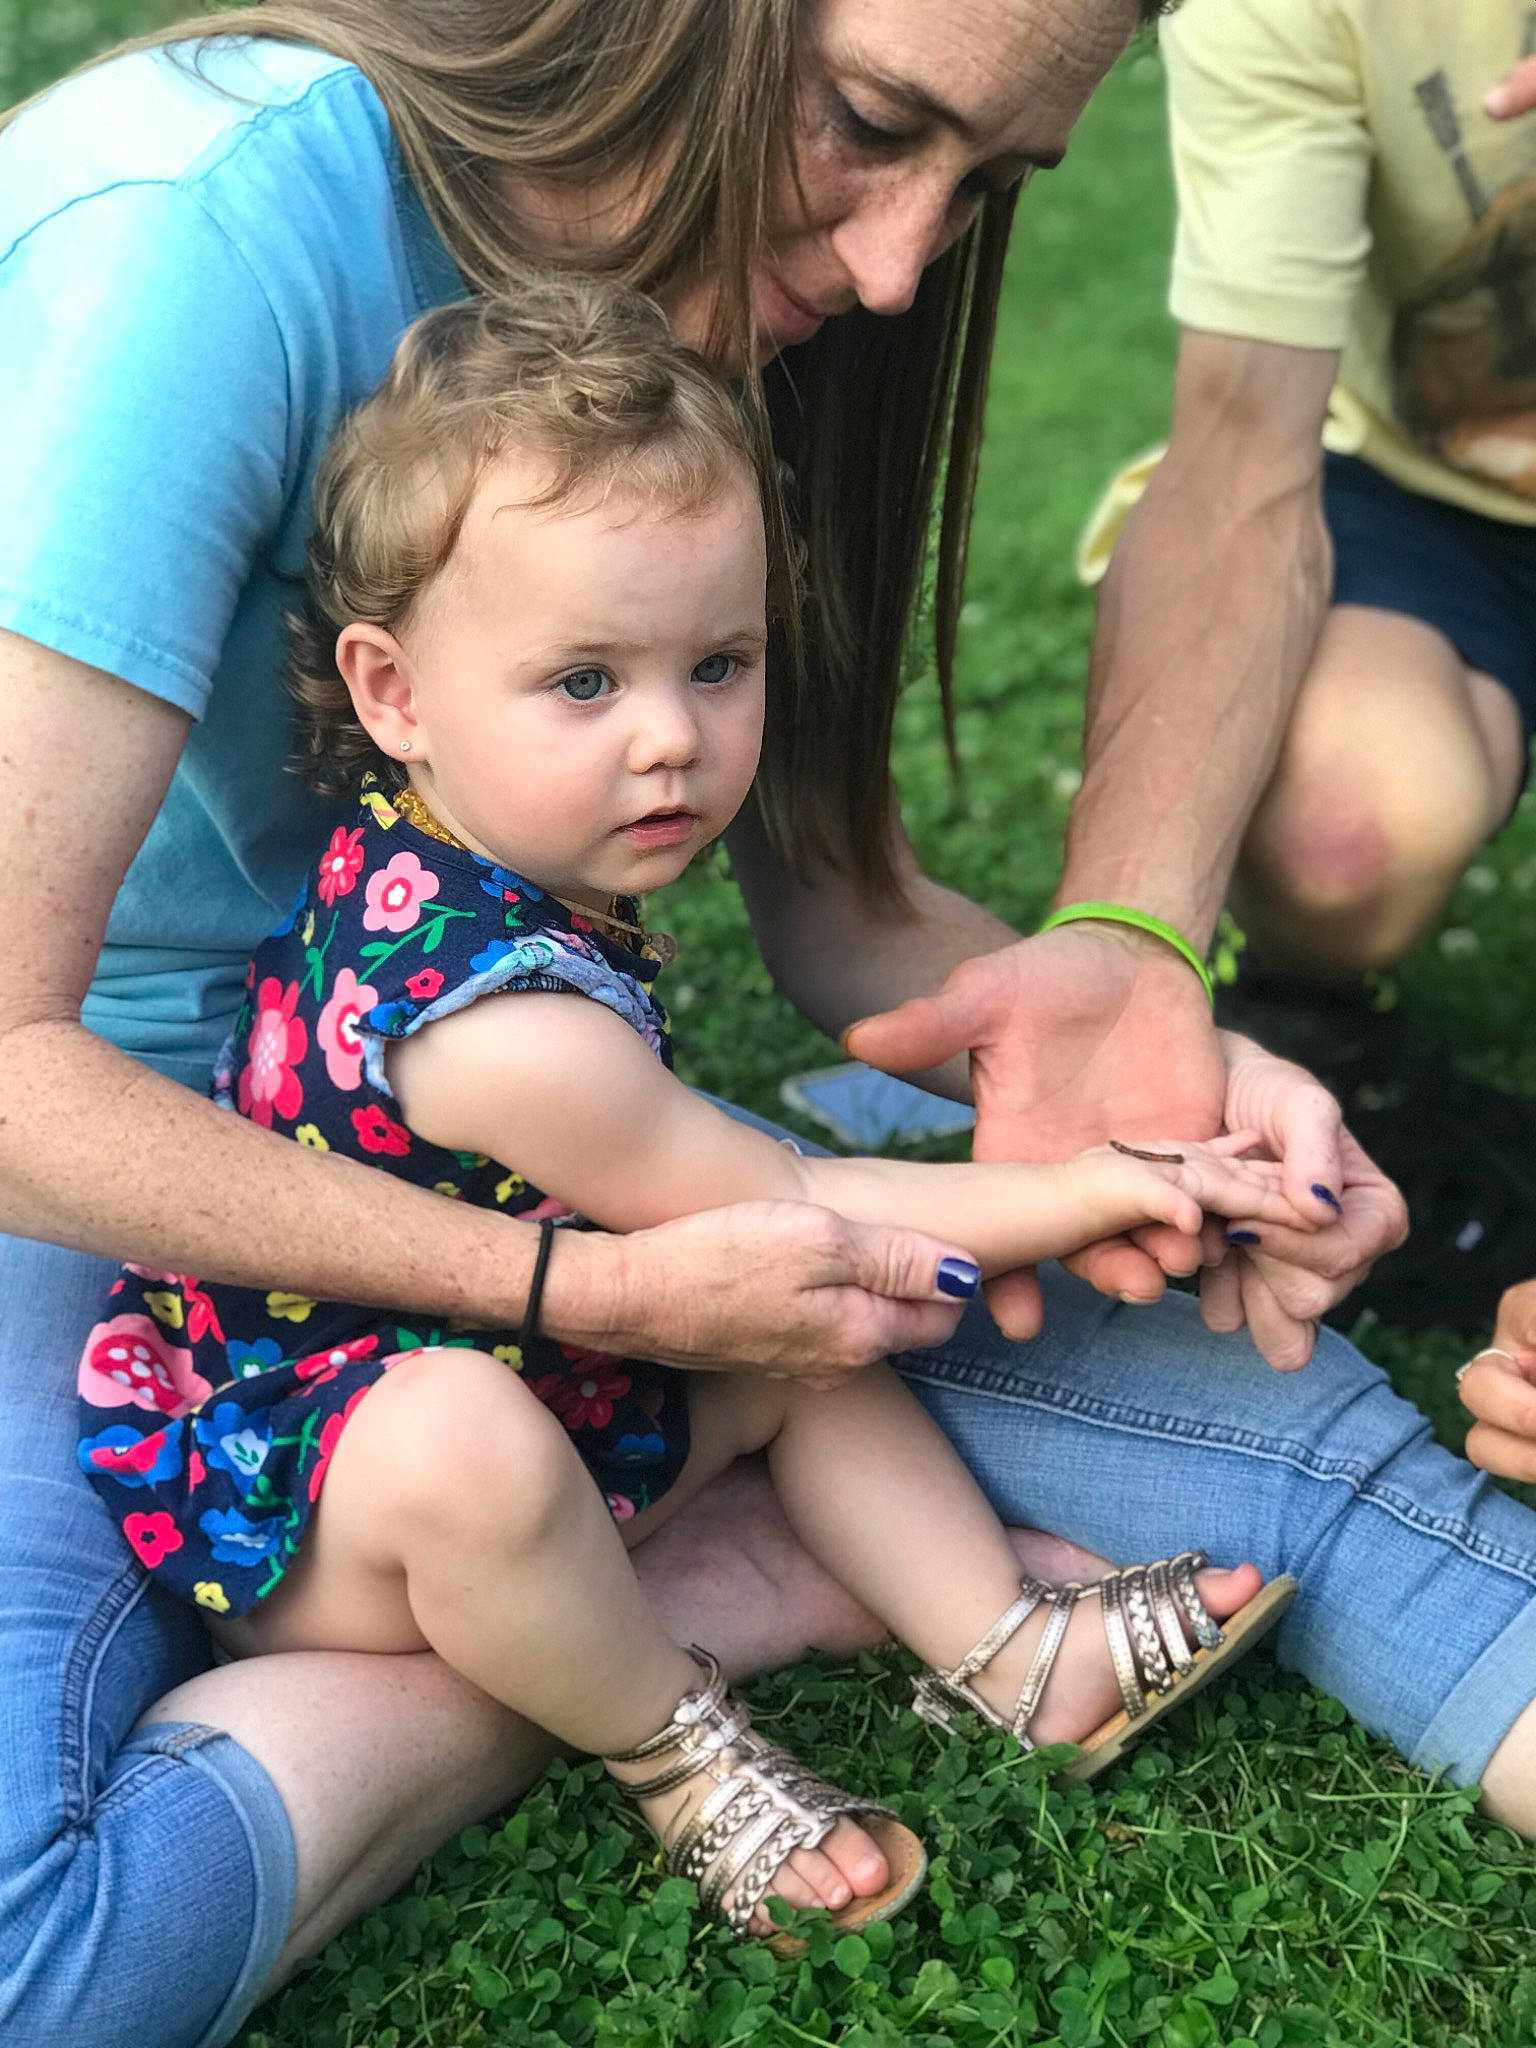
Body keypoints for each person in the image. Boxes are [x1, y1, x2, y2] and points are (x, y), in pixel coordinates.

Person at [0, 2, 1530, 2045]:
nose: (904, 267)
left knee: (1181, 1398)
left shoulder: (726, 325)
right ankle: (658, 1622)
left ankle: (772, 1595)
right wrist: (591, 1289)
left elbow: (842, 911)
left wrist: (1166, 1069)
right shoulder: (195, 237)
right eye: (872, 121)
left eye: (985, 186)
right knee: (36, 1955)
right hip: (102, 1163)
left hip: (536, 1183)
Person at [79, 280, 1301, 1940]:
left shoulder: (477, 841)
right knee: (519, 1414)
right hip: (334, 1508)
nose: (672, 739)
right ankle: (671, 1747)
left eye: (718, 663)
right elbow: (797, 1201)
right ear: (394, 692)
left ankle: (1020, 1653)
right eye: (586, 681)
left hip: (543, 1366)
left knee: (791, 1338)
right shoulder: (496, 1031)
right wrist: (1100, 1182)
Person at [1060, 0, 1536, 1331]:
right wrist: (1126, 944)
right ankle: (1310, 1028)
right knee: (1341, 834)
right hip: (1426, 487)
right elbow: (1240, 444)